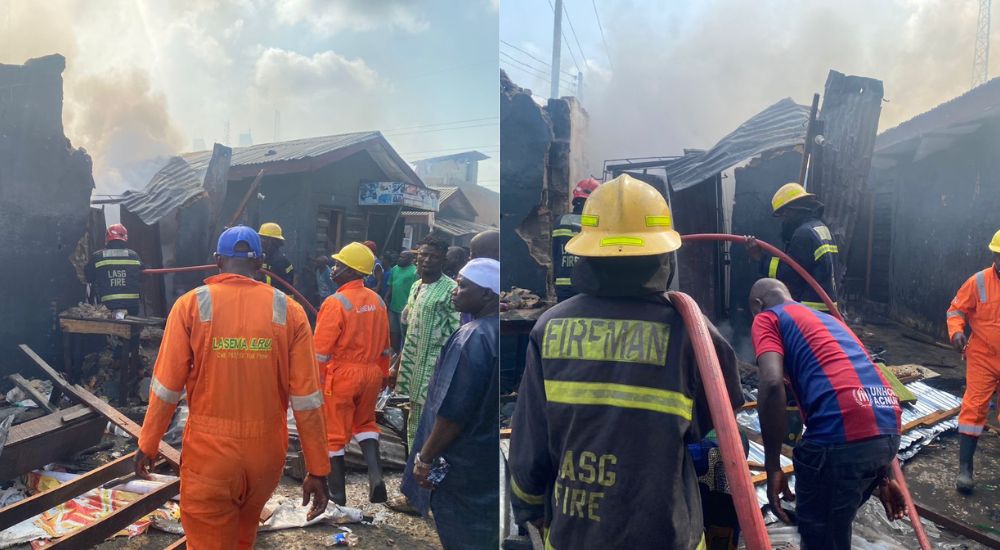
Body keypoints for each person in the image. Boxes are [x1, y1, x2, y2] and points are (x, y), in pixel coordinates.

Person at [508, 174, 744, 549]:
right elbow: (721, 421)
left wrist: (529, 507)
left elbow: (529, 447)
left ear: (587, 255)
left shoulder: (549, 327)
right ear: (662, 256)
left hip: (576, 534)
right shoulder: (690, 330)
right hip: (664, 534)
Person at [135, 225, 329, 548]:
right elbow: (307, 401)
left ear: (217, 261)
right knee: (242, 535)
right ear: (260, 263)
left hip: (210, 457)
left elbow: (166, 388)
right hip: (265, 456)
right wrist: (319, 469)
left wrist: (149, 442)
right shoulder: (290, 312)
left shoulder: (189, 306)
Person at [750, 278, 905, 549]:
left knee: (821, 536)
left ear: (757, 304)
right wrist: (884, 473)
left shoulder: (767, 318)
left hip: (839, 441)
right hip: (889, 431)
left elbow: (772, 383)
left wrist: (773, 466)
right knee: (833, 526)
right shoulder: (829, 321)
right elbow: (864, 384)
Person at [401, 257, 501, 549]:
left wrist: (425, 458)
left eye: (462, 286)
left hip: (462, 461)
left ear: (486, 294)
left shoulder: (472, 337)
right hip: (485, 459)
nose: (454, 291)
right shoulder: (494, 332)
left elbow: (452, 412)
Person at [313, 242, 392, 505]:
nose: (334, 269)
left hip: (342, 375)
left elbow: (321, 351)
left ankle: (337, 496)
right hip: (371, 373)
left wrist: (317, 382)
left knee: (334, 435)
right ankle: (376, 475)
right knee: (366, 424)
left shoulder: (335, 303)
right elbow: (385, 345)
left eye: (339, 265)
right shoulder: (377, 301)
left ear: (352, 270)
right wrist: (381, 376)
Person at [947, 228, 1000, 493]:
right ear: (993, 254)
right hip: (983, 355)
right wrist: (956, 331)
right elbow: (956, 309)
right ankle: (965, 468)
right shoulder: (979, 281)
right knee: (974, 408)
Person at [396, 236, 460, 448]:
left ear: (443, 260)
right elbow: (410, 327)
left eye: (434, 256)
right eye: (423, 254)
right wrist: (397, 365)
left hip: (436, 368)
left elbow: (457, 332)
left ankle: (426, 464)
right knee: (414, 417)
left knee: (433, 420)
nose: (427, 260)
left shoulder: (451, 290)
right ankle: (412, 465)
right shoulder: (415, 286)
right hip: (413, 367)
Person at [747, 183, 840, 313]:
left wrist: (760, 258)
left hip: (811, 309)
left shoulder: (804, 234)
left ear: (791, 210)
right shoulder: (820, 227)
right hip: (827, 306)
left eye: (784, 215)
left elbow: (788, 273)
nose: (784, 220)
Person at [551, 178, 599, 302]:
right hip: (588, 284)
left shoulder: (560, 221)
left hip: (563, 286)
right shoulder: (598, 223)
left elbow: (554, 253)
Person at [86, 223, 142, 318]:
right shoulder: (134, 255)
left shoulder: (97, 257)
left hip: (108, 306)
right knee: (132, 330)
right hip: (132, 306)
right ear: (125, 237)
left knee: (108, 330)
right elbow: (142, 276)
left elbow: (89, 277)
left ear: (107, 238)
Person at [385, 250, 419, 352]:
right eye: (400, 256)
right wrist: (386, 297)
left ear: (410, 259)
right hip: (393, 306)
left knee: (404, 333)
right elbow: (391, 285)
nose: (400, 259)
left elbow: (417, 290)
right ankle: (394, 351)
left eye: (403, 257)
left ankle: (403, 354)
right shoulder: (395, 269)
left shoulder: (415, 271)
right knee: (393, 331)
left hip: (405, 309)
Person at [258, 222, 296, 290]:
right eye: (260, 238)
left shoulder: (278, 260)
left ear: (272, 241)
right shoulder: (267, 256)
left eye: (263, 238)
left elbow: (277, 284)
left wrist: (259, 276)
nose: (261, 241)